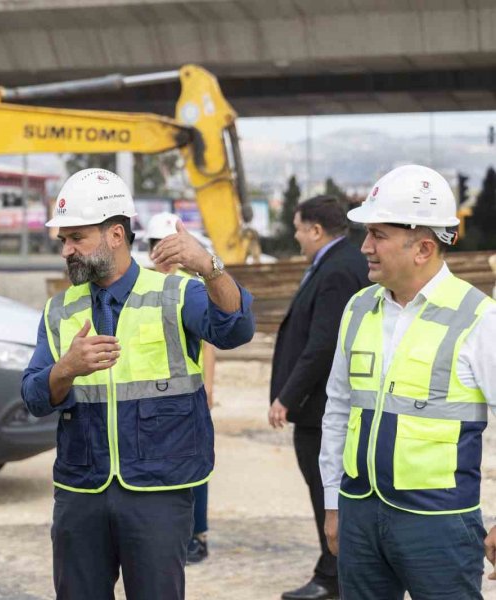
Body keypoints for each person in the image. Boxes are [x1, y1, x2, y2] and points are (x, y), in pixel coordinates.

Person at [22, 169, 255, 599]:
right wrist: (66, 369)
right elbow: (34, 397)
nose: (67, 251)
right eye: (63, 241)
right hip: (82, 491)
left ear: (115, 234)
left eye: (77, 238)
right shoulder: (59, 309)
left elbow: (236, 329)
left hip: (159, 490)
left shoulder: (175, 292)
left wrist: (210, 267)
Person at [320, 164, 496, 599]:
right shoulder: (359, 308)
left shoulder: (478, 318)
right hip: (359, 513)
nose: (364, 247)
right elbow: (339, 406)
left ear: (422, 248)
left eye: (377, 234)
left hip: (440, 524)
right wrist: (332, 501)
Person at [268, 196, 368, 600]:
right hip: (316, 405)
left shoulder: (339, 269)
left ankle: (334, 577)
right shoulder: (335, 262)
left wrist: (287, 397)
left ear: (315, 230)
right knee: (325, 492)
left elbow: (324, 343)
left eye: (297, 227)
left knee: (327, 493)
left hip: (321, 408)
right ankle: (334, 571)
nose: (294, 236)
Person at [145, 212, 216, 564]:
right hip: (150, 398)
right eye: (157, 245)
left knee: (192, 467)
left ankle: (195, 534)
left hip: (185, 393)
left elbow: (209, 345)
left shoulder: (191, 287)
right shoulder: (142, 287)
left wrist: (208, 386)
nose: (162, 251)